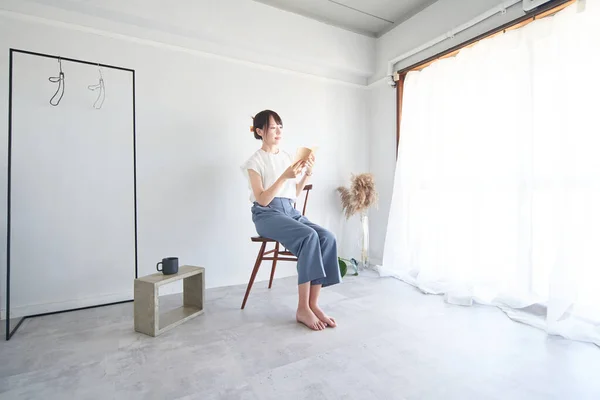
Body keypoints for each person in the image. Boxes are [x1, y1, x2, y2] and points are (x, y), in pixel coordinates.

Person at [241, 110, 342, 331]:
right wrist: (284, 177)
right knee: (309, 236)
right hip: (266, 214)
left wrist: (306, 173)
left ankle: (313, 304)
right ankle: (302, 308)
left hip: (290, 211)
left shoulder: (286, 157)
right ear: (260, 131)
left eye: (280, 126)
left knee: (327, 237)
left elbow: (293, 194)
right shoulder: (253, 162)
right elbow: (263, 199)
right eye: (272, 127)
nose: (278, 131)